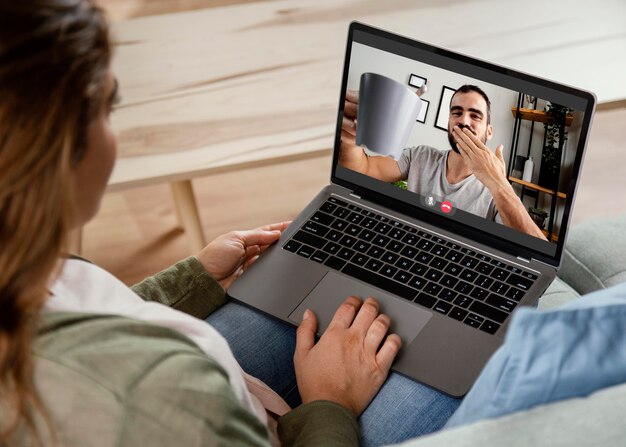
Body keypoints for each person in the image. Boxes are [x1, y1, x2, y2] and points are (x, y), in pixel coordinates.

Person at [339, 85, 546, 239]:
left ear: (489, 131)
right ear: (449, 122)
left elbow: (533, 250)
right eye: (457, 113)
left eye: (475, 116)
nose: (463, 121)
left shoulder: (497, 191)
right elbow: (361, 170)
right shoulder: (420, 156)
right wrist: (348, 138)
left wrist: (498, 183)